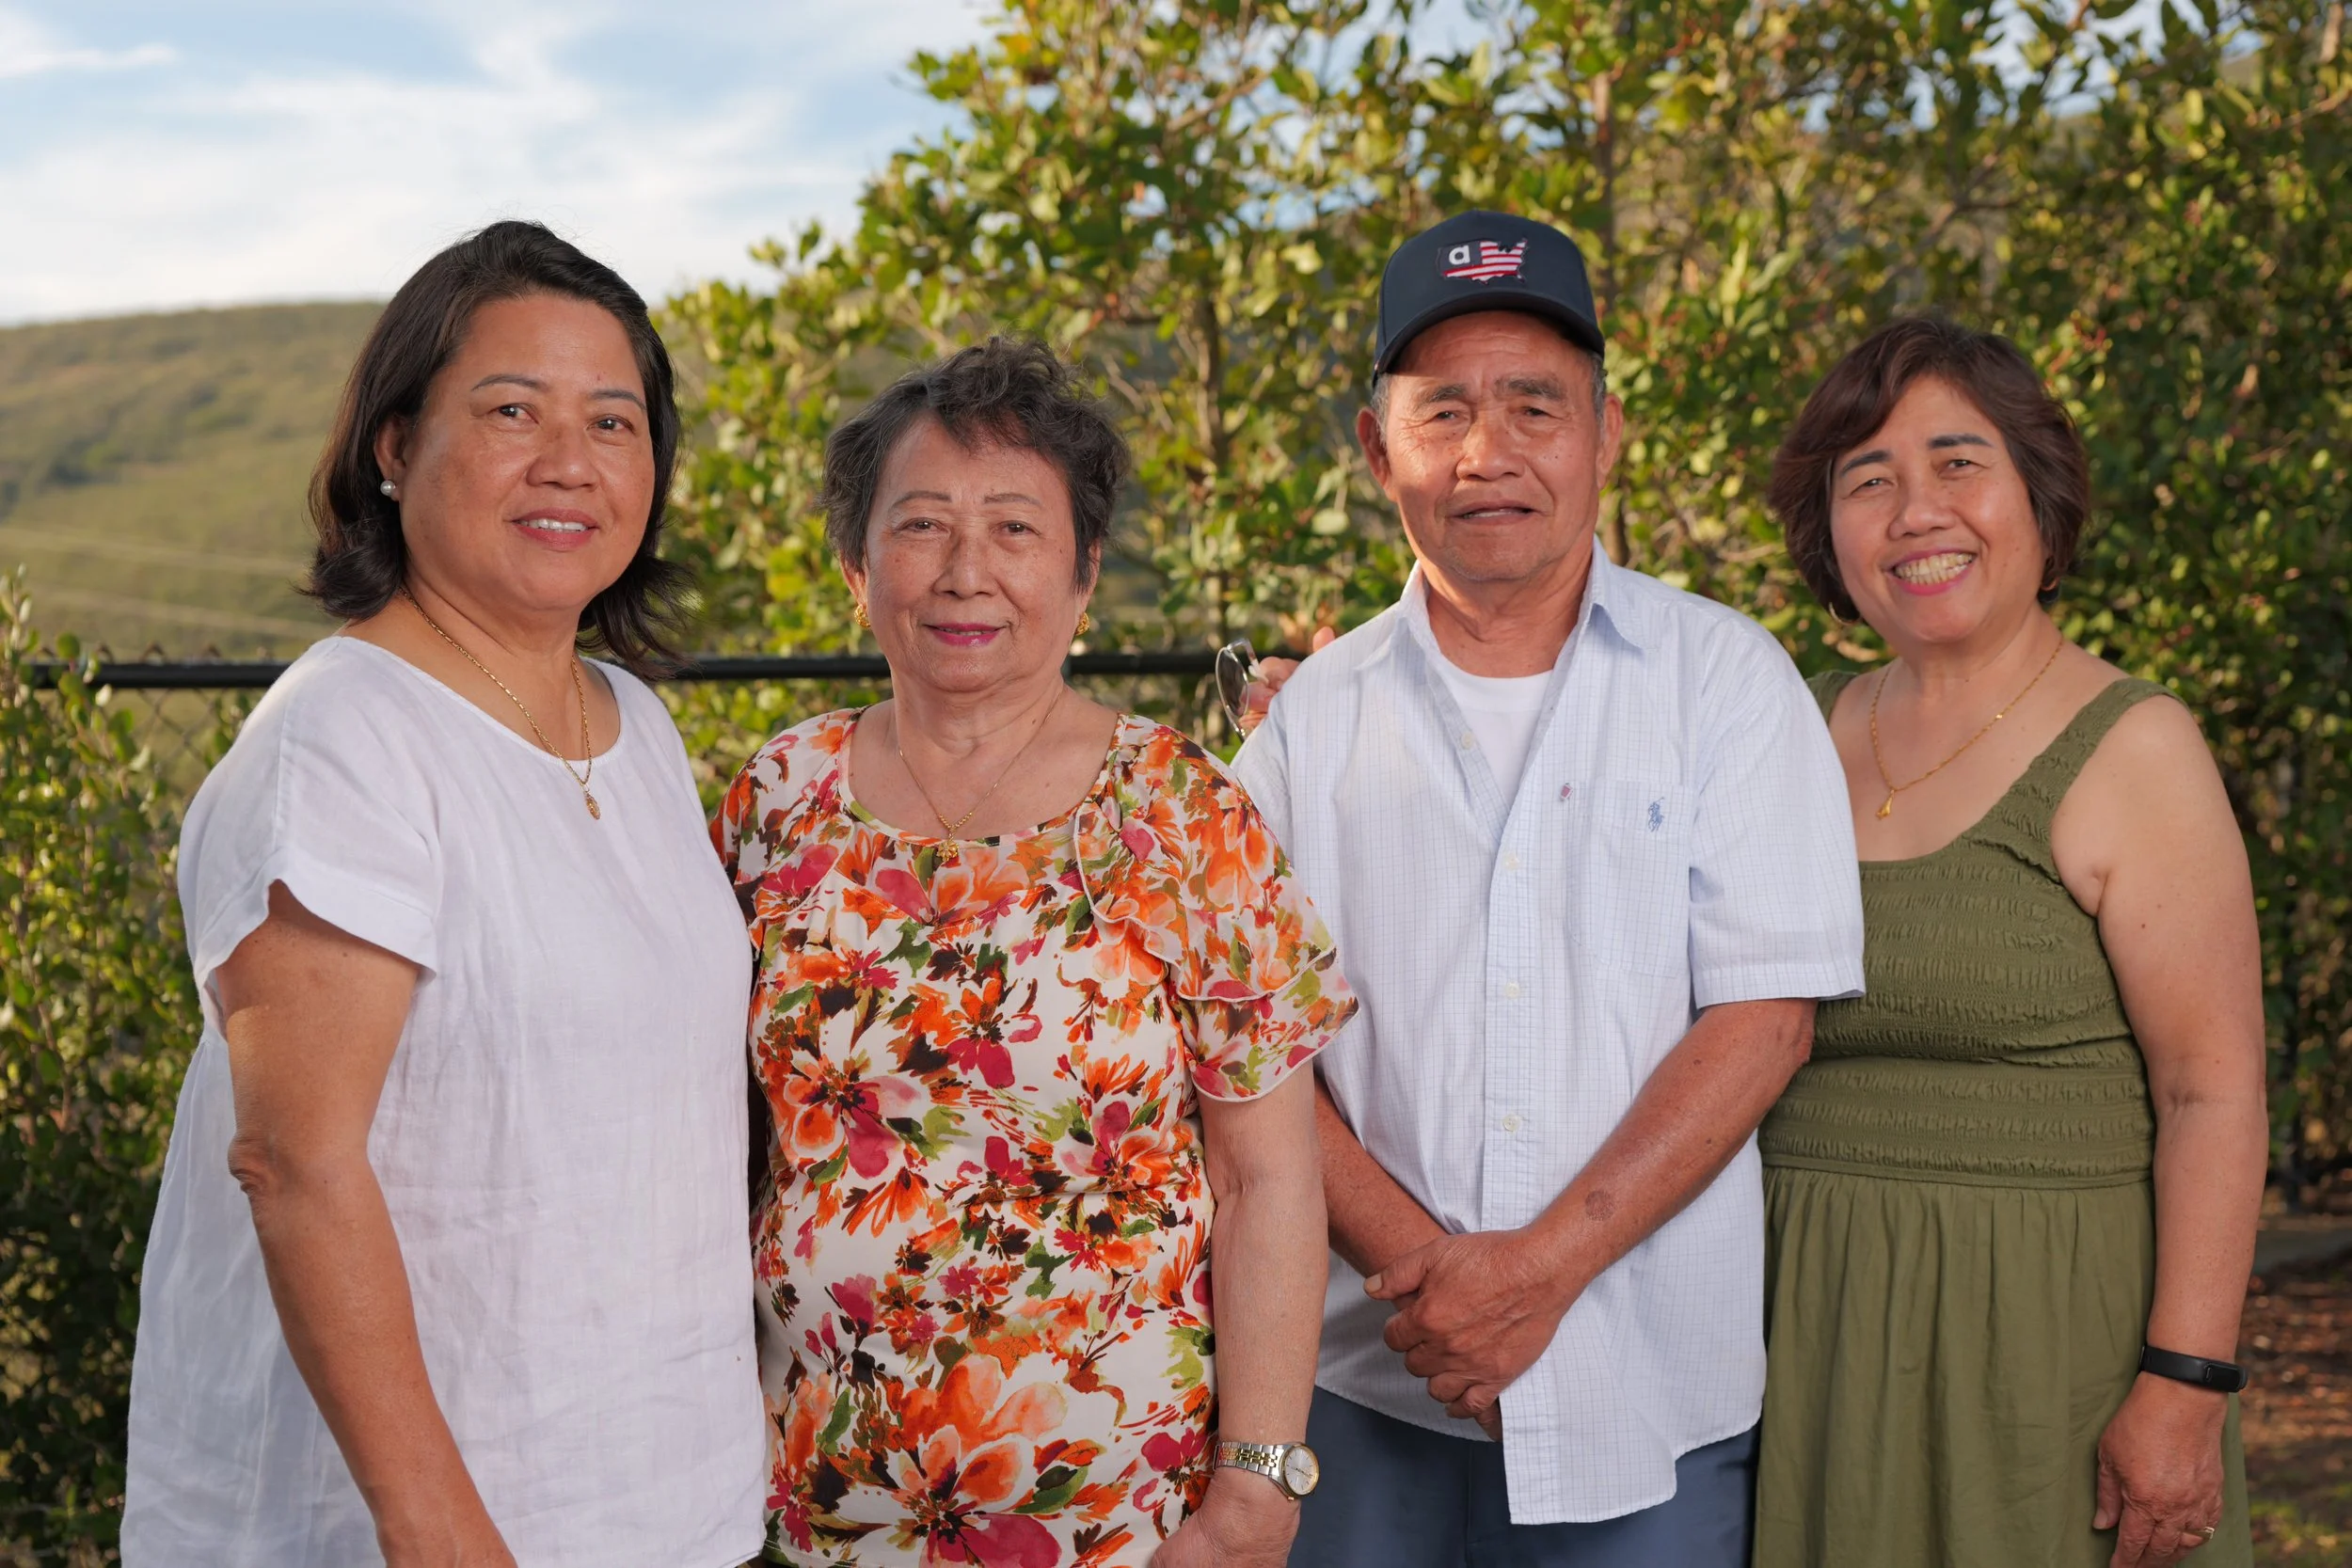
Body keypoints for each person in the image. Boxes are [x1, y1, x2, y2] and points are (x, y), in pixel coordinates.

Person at [122, 222, 765, 1568]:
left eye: (615, 419)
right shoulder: (345, 741)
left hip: (654, 1497)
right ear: (395, 444)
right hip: (424, 1524)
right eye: (511, 409)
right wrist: (441, 1531)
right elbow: (297, 1163)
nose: (570, 462)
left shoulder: (636, 727)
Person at [1229, 210, 1865, 1566]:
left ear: (1607, 432)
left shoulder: (1726, 680)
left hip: (1650, 1399)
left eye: (1535, 403)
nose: (1489, 452)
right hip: (1368, 1390)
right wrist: (1436, 1288)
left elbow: (1765, 1021)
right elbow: (1252, 1048)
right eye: (1443, 407)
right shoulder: (1304, 727)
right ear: (1373, 444)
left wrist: (1530, 1275)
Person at [712, 338, 1352, 1568]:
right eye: (920, 526)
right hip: (809, 1501)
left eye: (1014, 527)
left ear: (1084, 573)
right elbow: (714, 1141)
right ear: (857, 568)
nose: (965, 571)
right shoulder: (776, 797)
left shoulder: (1181, 809)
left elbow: (1271, 1178)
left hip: (1128, 1520)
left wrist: (1257, 1491)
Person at [1755, 317, 2265, 1568]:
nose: (1915, 510)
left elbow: (2215, 1089)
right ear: (1832, 536)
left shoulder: (2135, 748)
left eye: (1956, 462)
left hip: (2046, 1355)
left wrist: (2187, 1382)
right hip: (1808, 1338)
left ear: (2039, 494)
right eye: (1867, 480)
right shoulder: (1788, 732)